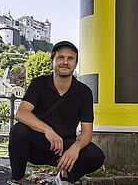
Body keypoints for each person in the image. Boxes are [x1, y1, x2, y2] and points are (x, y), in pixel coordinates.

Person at [8, 41, 105, 185]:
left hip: (64, 149)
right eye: (61, 57)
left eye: (70, 58)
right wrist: (48, 130)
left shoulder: (84, 92)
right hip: (37, 145)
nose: (65, 62)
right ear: (52, 61)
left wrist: (75, 148)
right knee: (18, 131)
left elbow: (87, 132)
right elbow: (21, 113)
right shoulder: (39, 84)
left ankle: (64, 177)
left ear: (76, 63)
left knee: (96, 155)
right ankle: (17, 181)